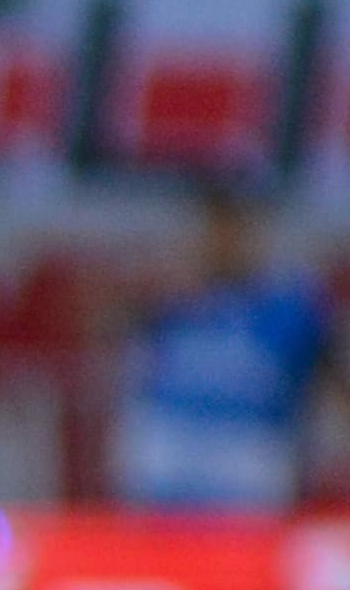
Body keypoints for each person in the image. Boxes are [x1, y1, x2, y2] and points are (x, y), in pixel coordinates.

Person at [112, 185, 329, 511]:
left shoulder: (286, 307)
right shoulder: (167, 301)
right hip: (170, 460)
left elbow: (333, 373)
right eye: (211, 230)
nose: (219, 242)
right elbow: (98, 325)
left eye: (231, 230)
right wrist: (160, 295)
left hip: (244, 461)